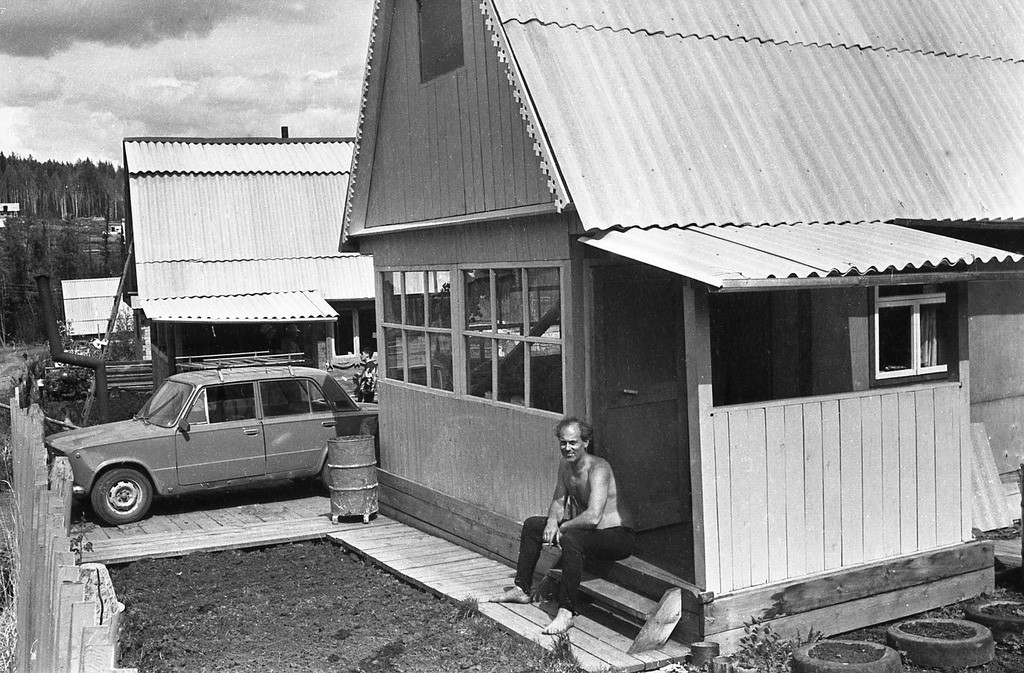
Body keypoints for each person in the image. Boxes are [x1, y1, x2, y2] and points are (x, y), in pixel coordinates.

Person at [484, 417, 634, 634]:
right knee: (533, 525)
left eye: (573, 442)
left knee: (571, 538)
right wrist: (552, 522)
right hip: (590, 534)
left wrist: (562, 528)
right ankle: (521, 589)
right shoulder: (565, 465)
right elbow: (558, 500)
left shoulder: (599, 468)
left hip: (617, 536)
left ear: (585, 443)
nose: (567, 448)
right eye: (563, 443)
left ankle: (566, 612)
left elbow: (593, 517)